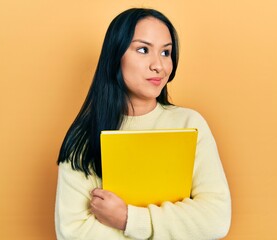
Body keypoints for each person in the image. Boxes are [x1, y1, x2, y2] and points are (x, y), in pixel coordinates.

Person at [55, 8, 231, 240]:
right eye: (143, 49)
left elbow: (216, 218)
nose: (158, 65)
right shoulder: (84, 137)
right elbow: (72, 232)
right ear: (115, 56)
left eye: (166, 52)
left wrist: (128, 218)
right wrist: (176, 227)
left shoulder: (190, 123)